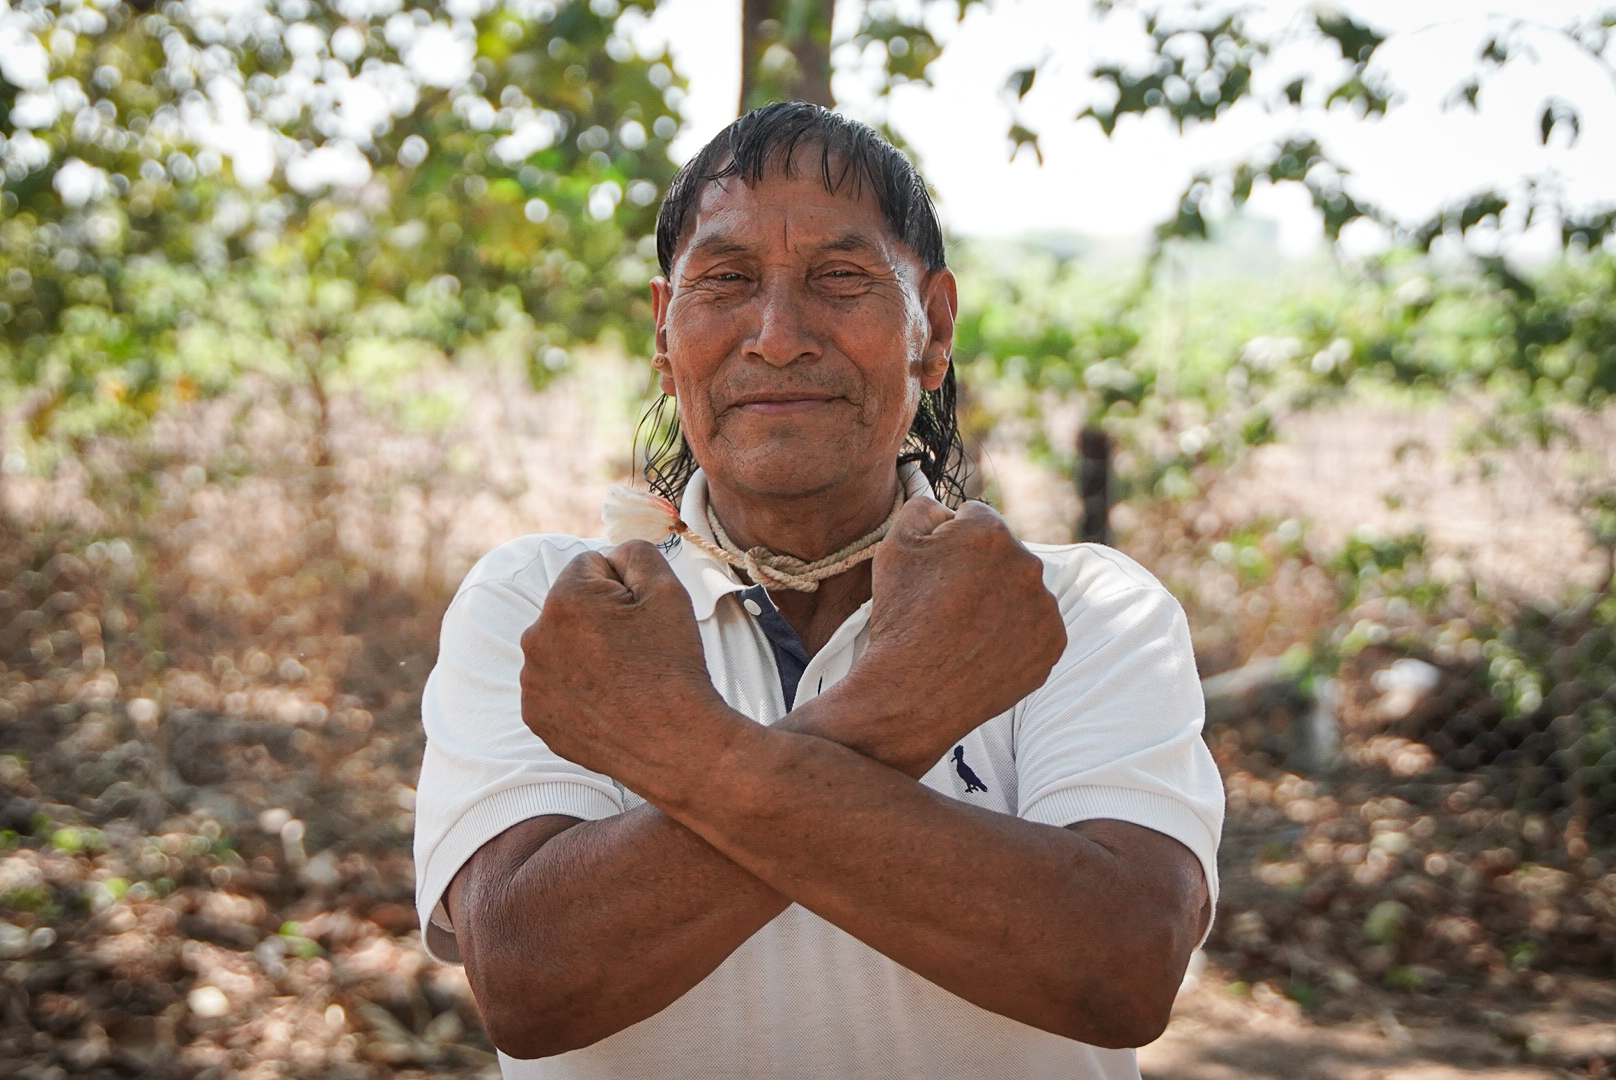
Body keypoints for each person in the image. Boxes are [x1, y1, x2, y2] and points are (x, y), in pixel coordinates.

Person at [412, 102, 1224, 1080]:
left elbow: (1122, 971)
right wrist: (902, 710)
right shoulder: (545, 602)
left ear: (934, 330)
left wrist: (674, 749)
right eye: (725, 281)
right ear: (664, 337)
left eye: (841, 279)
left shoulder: (1082, 609)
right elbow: (529, 982)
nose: (778, 336)